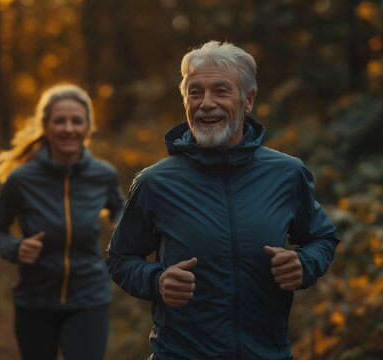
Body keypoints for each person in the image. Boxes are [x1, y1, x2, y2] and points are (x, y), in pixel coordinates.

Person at [106, 41, 339, 359]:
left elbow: (322, 237)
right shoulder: (155, 182)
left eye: (221, 91)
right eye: (195, 92)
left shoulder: (287, 174)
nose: (206, 104)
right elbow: (119, 258)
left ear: (248, 100)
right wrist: (157, 280)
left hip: (267, 354)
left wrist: (304, 264)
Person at [0, 84, 125, 360]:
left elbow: (120, 207)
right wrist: (16, 248)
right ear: (45, 127)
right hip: (35, 301)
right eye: (59, 121)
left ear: (88, 127)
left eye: (77, 121)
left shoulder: (103, 174)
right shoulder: (22, 180)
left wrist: (120, 223)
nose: (68, 128)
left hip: (89, 297)